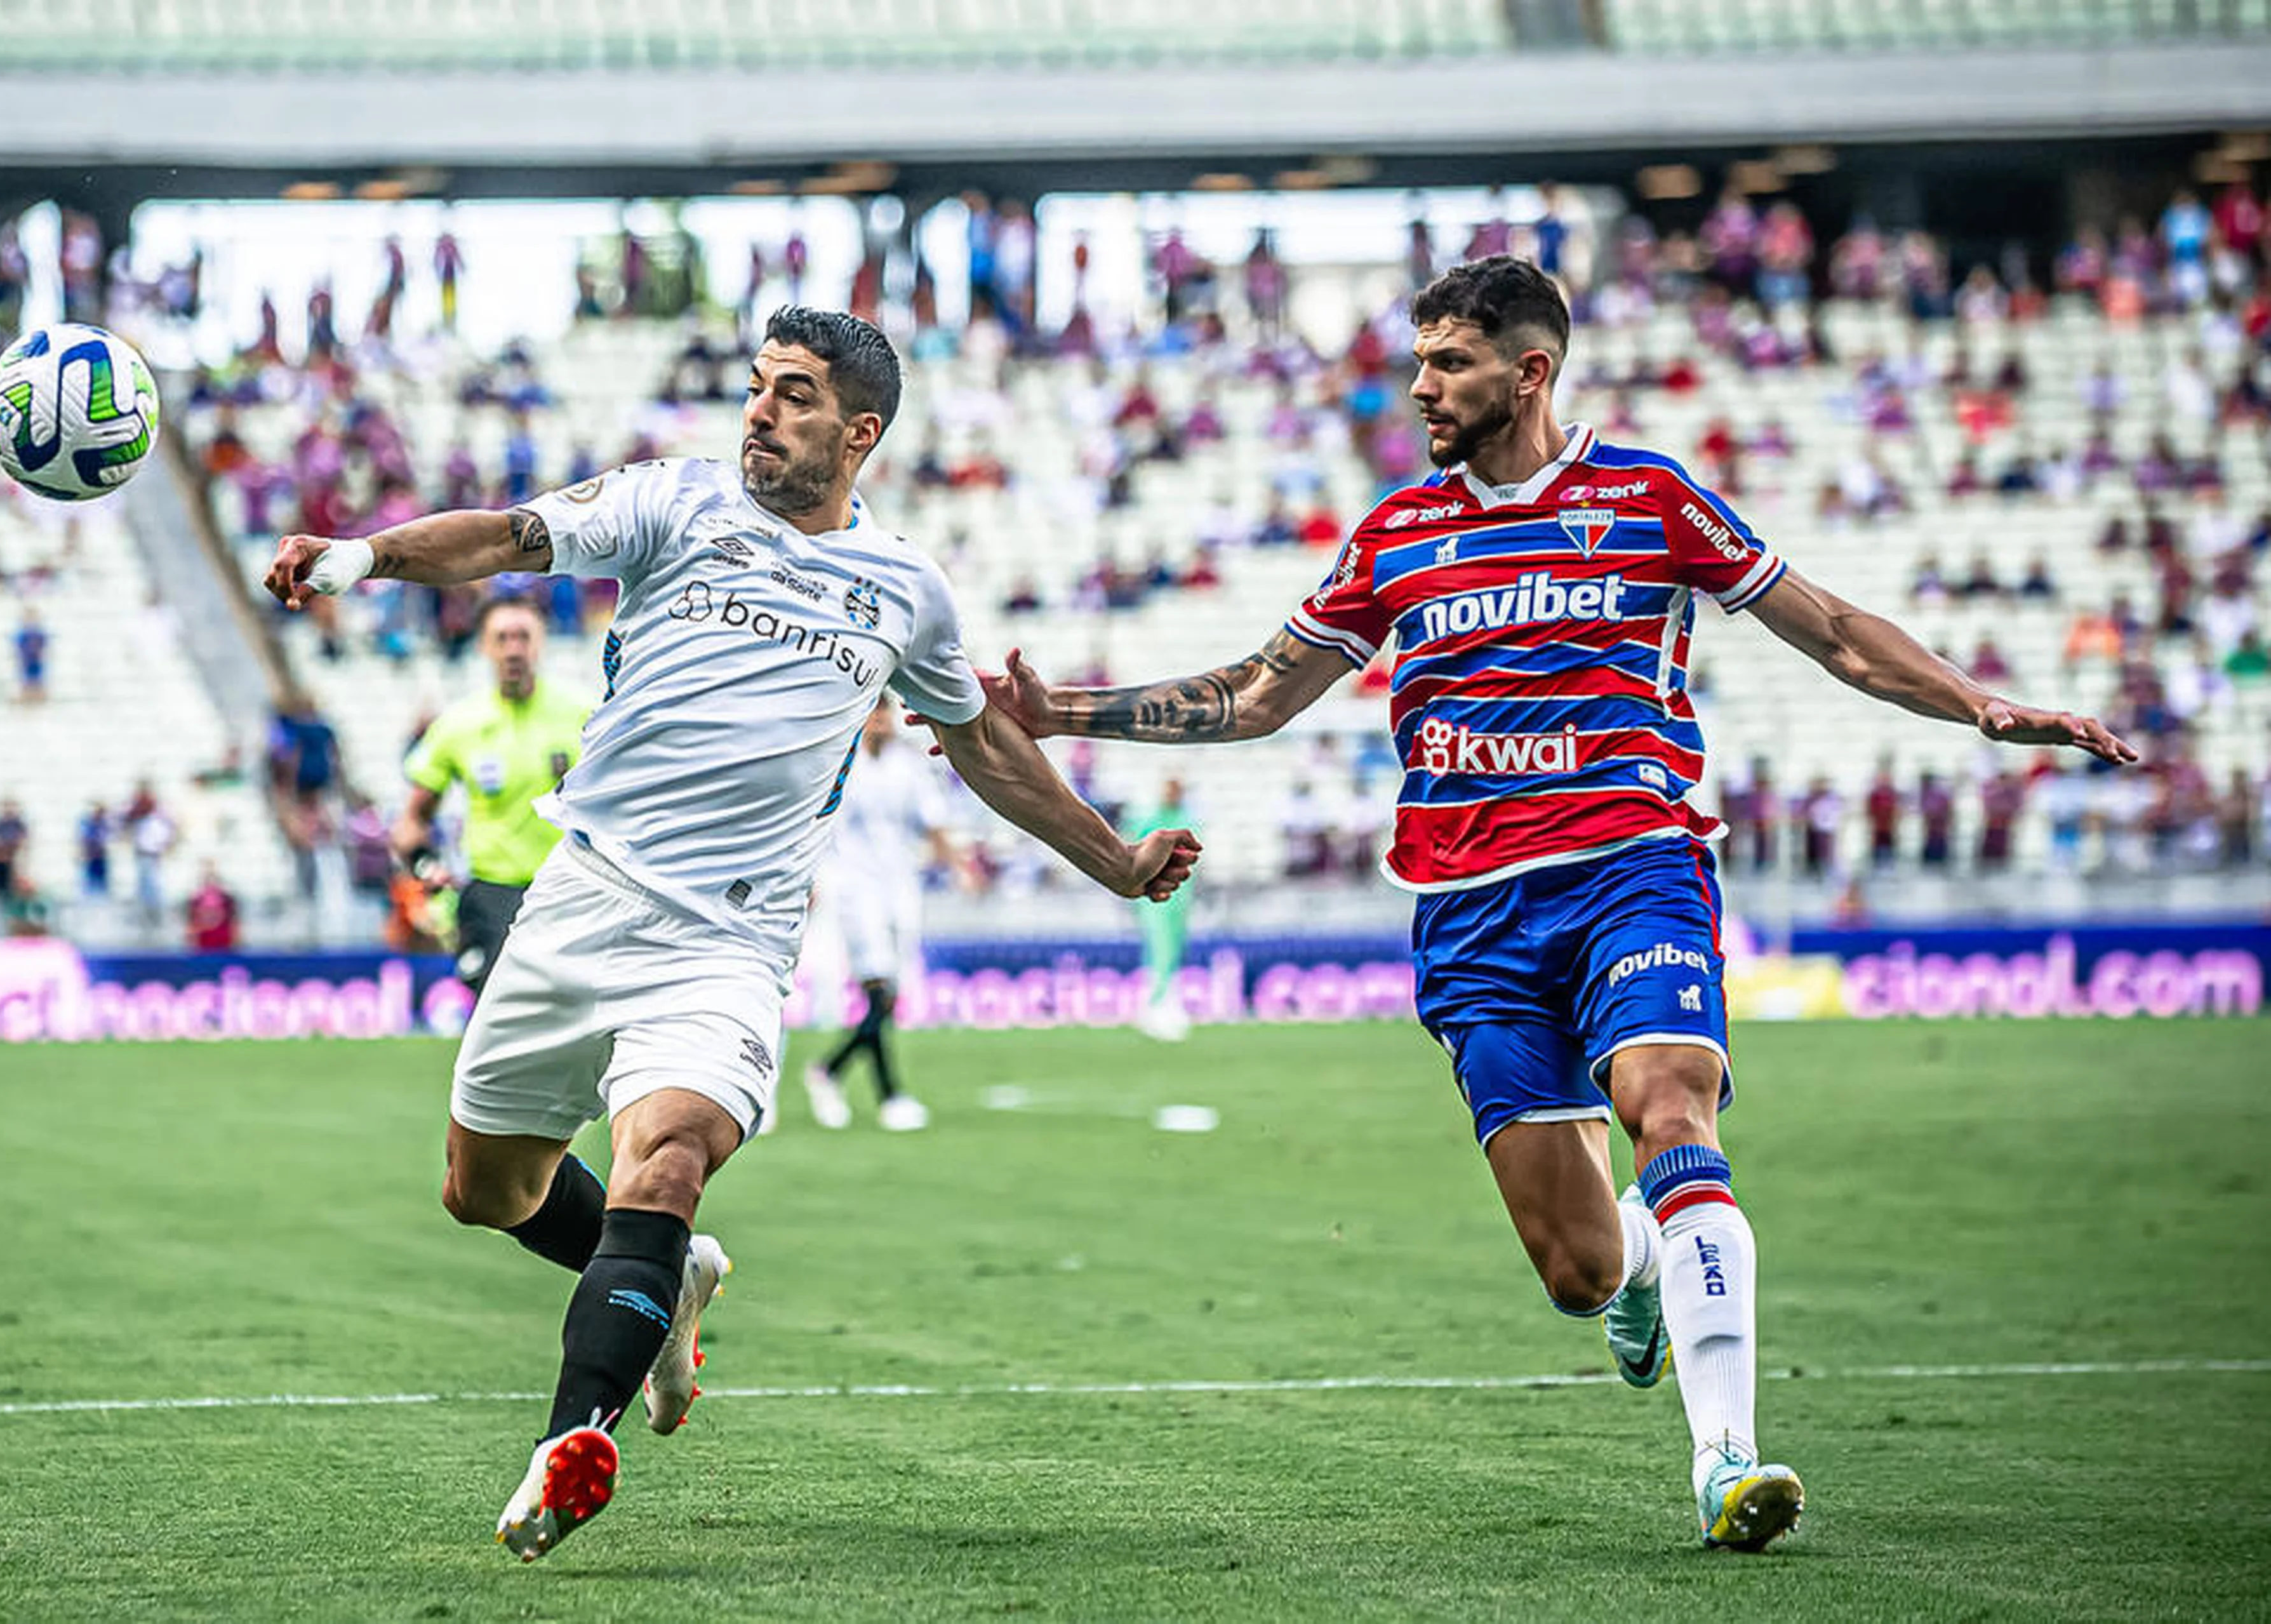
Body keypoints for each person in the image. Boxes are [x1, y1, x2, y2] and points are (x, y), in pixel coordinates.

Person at [976, 257, 2134, 1553]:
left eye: (1449, 362)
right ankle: (1643, 1270)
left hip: (1632, 862)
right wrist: (1059, 711)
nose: (1421, 386)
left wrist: (1978, 703)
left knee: (1670, 1100)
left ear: (1529, 370)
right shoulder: (1398, 531)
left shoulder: (1649, 496)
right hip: (1468, 911)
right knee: (1579, 1268)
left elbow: (1838, 632)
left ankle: (1726, 1458)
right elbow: (1256, 695)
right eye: (1418, 361)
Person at [262, 306, 1197, 1565]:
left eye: (795, 394)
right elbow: (507, 534)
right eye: (759, 387)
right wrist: (361, 558)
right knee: (486, 1193)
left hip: (731, 943)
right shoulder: (670, 502)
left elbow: (986, 746)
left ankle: (567, 1441)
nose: (761, 409)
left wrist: (1118, 860)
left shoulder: (905, 589)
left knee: (665, 1162)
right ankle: (677, 1281)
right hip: (582, 900)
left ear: (859, 433)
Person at [396, 596, 594, 992]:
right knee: (498, 1007)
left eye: (523, 637)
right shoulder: (458, 724)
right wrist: (424, 866)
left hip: (567, 888)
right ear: (484, 646)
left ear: (540, 644)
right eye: (502, 638)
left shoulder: (583, 715)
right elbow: (411, 822)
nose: (513, 649)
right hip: (491, 893)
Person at [802, 698, 967, 1132]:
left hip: (900, 889)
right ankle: (891, 1095)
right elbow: (815, 827)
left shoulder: (908, 767)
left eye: (885, 715)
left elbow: (931, 823)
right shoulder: (841, 762)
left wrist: (959, 865)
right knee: (879, 993)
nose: (880, 723)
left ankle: (830, 1072)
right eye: (873, 715)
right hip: (855, 891)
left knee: (890, 995)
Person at [1128, 776, 1196, 1041]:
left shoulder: (1186, 817)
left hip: (1181, 896)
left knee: (1174, 949)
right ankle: (1155, 1006)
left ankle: (1166, 1003)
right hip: (1155, 896)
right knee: (1160, 949)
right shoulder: (1152, 818)